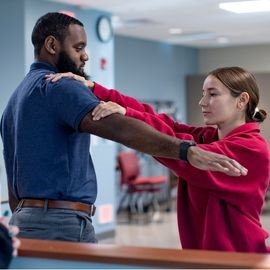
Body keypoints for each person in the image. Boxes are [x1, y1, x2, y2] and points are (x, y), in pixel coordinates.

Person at [0, 12, 246, 244]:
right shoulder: (60, 86)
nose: (85, 56)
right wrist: (186, 151)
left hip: (23, 221)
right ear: (52, 46)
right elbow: (119, 129)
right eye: (79, 48)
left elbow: (13, 176)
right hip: (61, 225)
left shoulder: (15, 100)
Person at [47, 66, 270, 253]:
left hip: (239, 255)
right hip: (205, 254)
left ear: (242, 100)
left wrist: (128, 115)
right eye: (203, 93)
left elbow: (174, 143)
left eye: (213, 94)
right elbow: (165, 123)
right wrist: (96, 89)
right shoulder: (207, 136)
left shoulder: (251, 148)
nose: (202, 102)